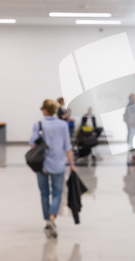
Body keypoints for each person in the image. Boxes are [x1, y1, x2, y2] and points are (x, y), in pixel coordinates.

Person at [30, 99, 76, 238]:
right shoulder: (63, 125)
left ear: (44, 110)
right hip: (57, 164)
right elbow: (68, 147)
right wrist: (72, 165)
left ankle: (47, 221)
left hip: (41, 164)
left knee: (44, 193)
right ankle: (51, 218)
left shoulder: (38, 125)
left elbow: (32, 144)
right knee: (57, 193)